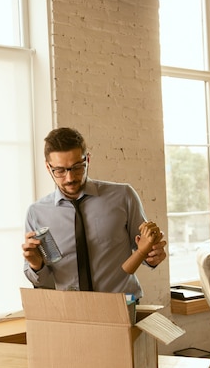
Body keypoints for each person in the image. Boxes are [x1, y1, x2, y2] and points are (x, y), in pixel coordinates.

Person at [21, 127, 167, 299]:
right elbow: (43, 282)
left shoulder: (123, 196)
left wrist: (153, 255)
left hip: (122, 305)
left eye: (77, 167)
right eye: (59, 170)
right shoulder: (37, 213)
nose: (70, 178)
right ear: (48, 167)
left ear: (87, 159)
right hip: (69, 310)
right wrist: (36, 265)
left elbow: (144, 249)